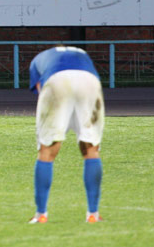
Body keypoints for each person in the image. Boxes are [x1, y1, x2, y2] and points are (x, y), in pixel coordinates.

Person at [28, 46, 105, 224]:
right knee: (91, 149)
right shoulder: (82, 53)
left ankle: (41, 214)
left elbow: (41, 91)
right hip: (89, 81)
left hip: (56, 80)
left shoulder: (38, 60)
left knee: (47, 150)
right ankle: (93, 214)